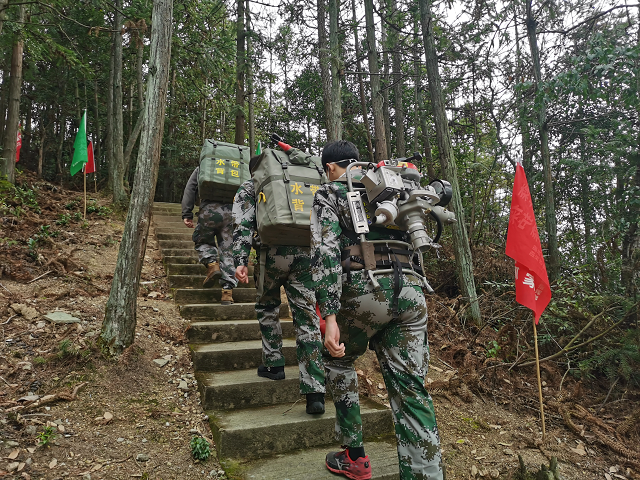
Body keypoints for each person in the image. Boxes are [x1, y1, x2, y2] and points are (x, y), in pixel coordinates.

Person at [311, 140, 444, 480]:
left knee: (337, 359)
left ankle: (354, 457)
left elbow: (325, 254)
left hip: (363, 290)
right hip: (411, 291)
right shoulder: (395, 188)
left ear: (330, 168)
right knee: (411, 389)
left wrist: (329, 317)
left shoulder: (331, 192)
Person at [232, 156, 326, 415]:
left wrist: (240, 260)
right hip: (305, 253)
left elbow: (241, 224)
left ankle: (274, 364)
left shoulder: (251, 186)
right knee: (307, 317)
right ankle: (315, 390)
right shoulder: (303, 181)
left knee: (268, 306)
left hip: (269, 254)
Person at [181, 166, 237, 305]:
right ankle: (227, 293)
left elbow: (191, 188)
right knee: (228, 250)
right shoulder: (238, 166)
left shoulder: (206, 165)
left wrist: (187, 212)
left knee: (203, 241)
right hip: (232, 212)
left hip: (208, 210)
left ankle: (212, 264)